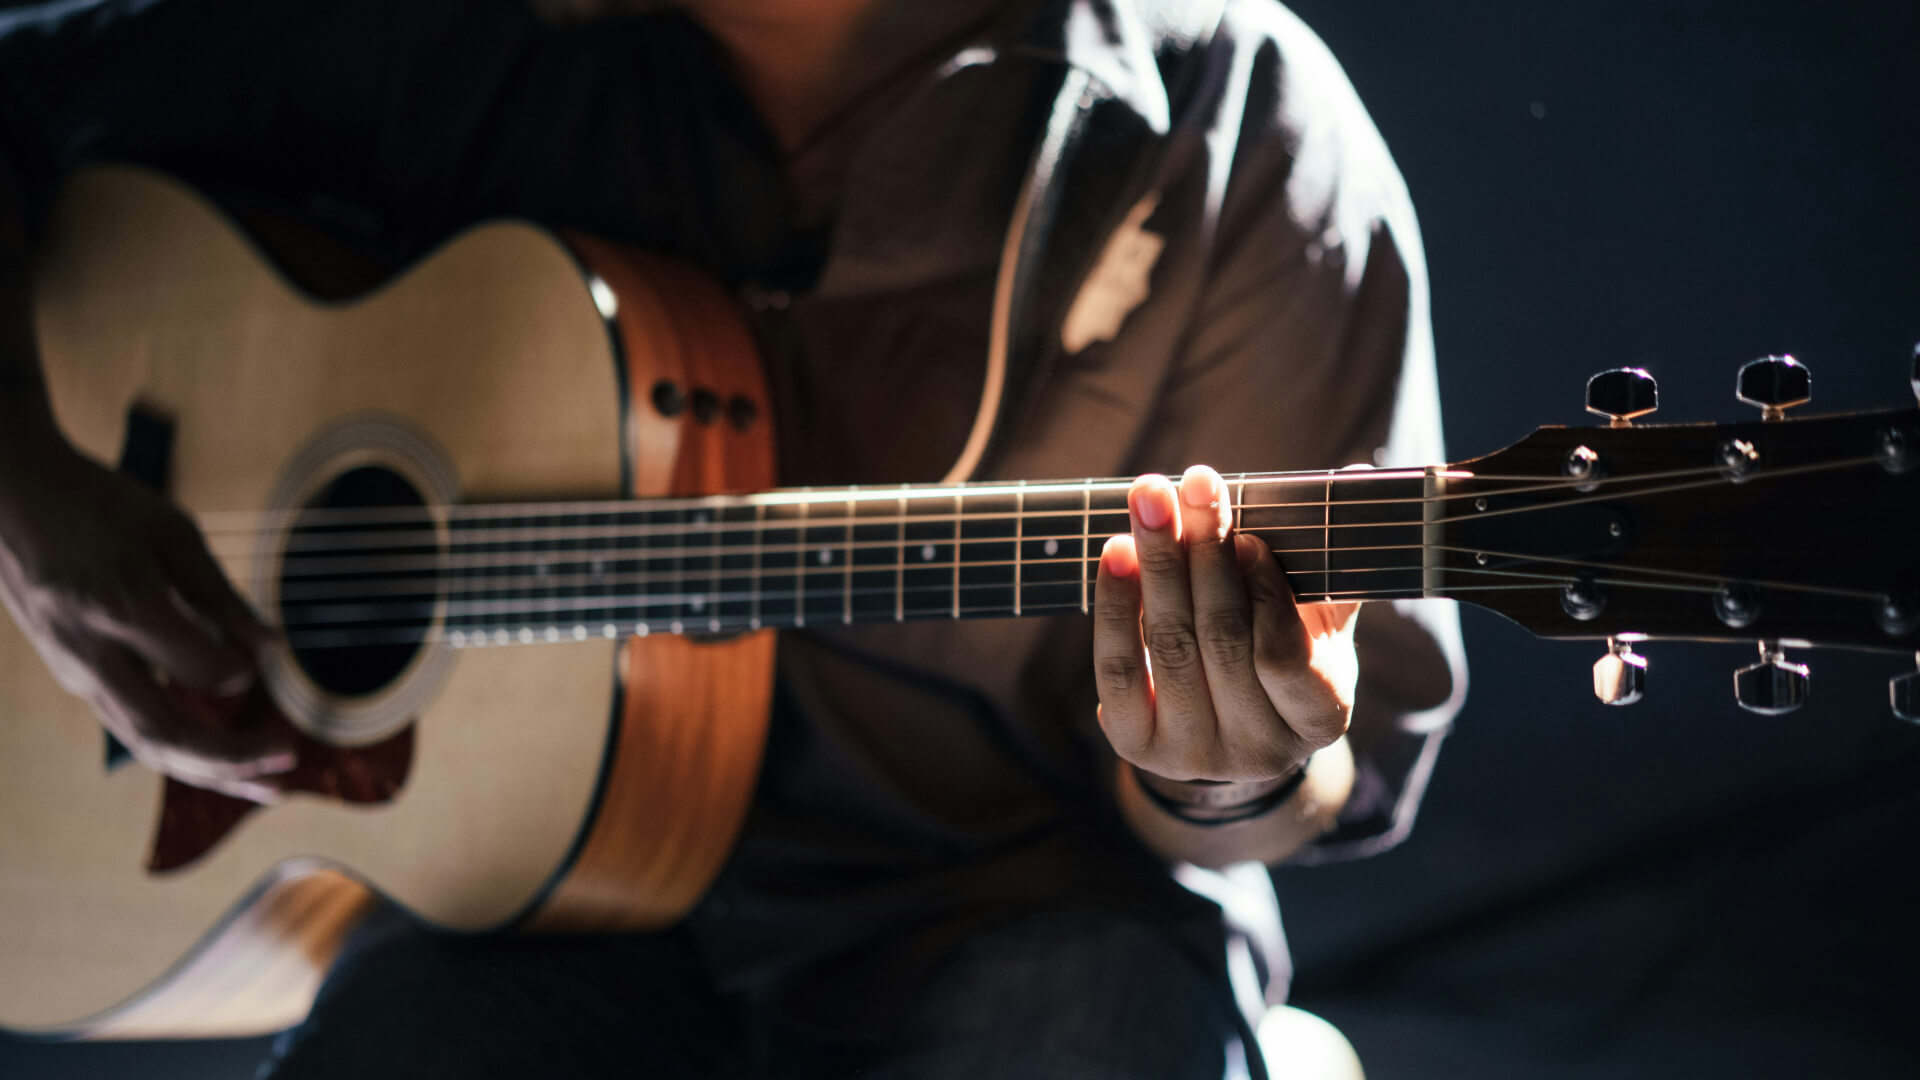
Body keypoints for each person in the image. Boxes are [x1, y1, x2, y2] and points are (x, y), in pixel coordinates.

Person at [0, 0, 1465, 1075]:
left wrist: (1229, 766)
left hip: (1017, 905)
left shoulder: (1236, 115)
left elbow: (1328, 767)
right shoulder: (468, 42)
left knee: (1094, 1022)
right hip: (524, 922)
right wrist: (32, 491)